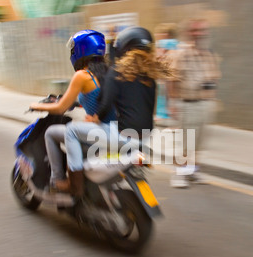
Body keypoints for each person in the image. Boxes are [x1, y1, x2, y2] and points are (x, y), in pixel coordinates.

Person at [62, 26, 174, 198]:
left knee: (71, 131)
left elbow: (106, 104)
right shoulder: (150, 77)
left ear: (124, 49)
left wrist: (95, 117)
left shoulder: (117, 72)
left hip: (123, 135)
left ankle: (74, 185)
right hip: (145, 136)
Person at [29, 30, 116, 192]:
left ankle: (58, 179)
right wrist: (79, 103)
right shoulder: (108, 72)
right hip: (114, 130)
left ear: (80, 50)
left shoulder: (82, 75)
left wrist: (37, 106)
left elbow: (60, 108)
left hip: (99, 132)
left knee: (50, 133)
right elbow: (101, 98)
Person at [166, 18, 222, 188]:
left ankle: (193, 171)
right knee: (185, 142)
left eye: (202, 30)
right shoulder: (180, 53)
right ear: (188, 32)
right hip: (186, 103)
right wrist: (173, 104)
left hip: (204, 102)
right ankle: (179, 174)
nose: (199, 34)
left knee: (199, 142)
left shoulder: (208, 53)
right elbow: (171, 80)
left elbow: (214, 76)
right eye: (195, 30)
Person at [154, 23, 179, 125]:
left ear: (166, 34)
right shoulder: (171, 44)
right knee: (164, 94)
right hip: (166, 75)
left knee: (169, 95)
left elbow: (160, 57)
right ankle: (163, 114)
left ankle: (169, 116)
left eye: (160, 33)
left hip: (169, 75)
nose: (158, 35)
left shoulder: (168, 44)